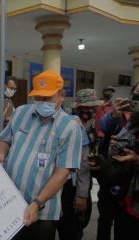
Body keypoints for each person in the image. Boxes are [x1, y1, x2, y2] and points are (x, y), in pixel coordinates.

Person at [0, 69, 82, 240]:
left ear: (61, 95)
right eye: (38, 98)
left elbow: (62, 173)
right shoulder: (21, 112)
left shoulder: (70, 128)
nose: (42, 102)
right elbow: (5, 138)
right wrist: (1, 153)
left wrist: (37, 203)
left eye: (47, 98)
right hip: (9, 202)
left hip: (42, 212)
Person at [58, 89, 103, 240]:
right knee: (72, 228)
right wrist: (82, 194)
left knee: (76, 225)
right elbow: (82, 163)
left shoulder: (89, 124)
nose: (91, 110)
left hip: (81, 180)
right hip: (74, 185)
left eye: (93, 107)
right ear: (78, 107)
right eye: (87, 107)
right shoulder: (75, 124)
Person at [98, 82, 139, 240]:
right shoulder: (131, 123)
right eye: (135, 96)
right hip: (123, 201)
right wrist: (114, 114)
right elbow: (105, 127)